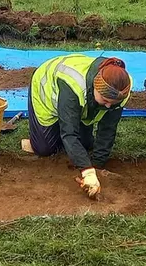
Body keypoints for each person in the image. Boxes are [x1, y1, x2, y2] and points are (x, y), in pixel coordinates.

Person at [21, 54, 131, 199]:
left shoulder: (121, 89)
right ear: (94, 87)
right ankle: (41, 137)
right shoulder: (73, 85)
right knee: (44, 148)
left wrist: (97, 165)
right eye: (105, 100)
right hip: (47, 92)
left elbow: (108, 129)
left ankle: (70, 135)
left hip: (83, 102)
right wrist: (88, 172)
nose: (109, 105)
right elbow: (69, 133)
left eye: (112, 102)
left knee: (85, 144)